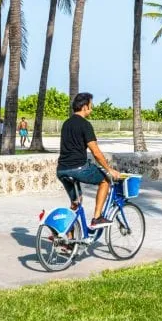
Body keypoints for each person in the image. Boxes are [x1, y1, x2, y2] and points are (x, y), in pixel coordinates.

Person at [56, 92, 121, 228]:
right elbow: (95, 152)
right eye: (91, 105)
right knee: (105, 181)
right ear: (85, 107)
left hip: (62, 169)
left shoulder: (66, 124)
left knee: (76, 202)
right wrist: (109, 170)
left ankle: (67, 237)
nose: (92, 107)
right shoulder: (85, 125)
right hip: (78, 168)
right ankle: (97, 218)